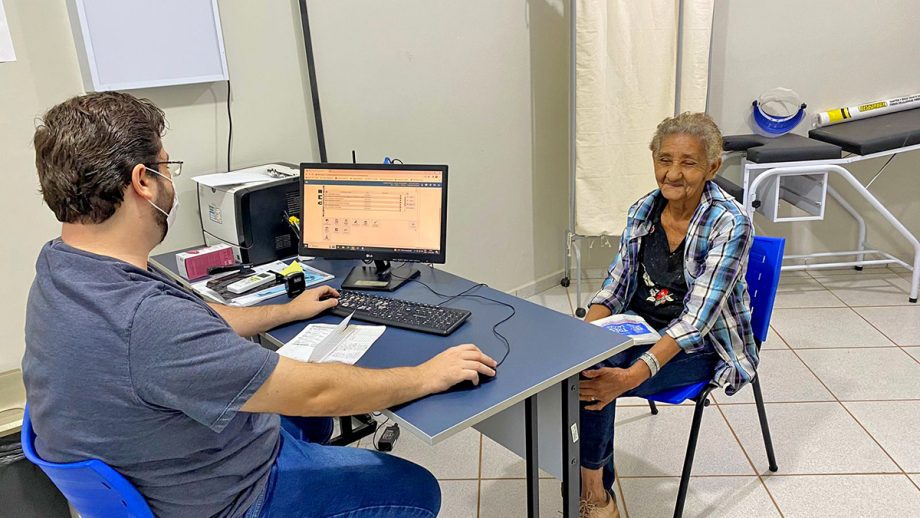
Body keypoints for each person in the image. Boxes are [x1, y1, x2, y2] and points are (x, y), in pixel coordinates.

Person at [22, 92, 497, 518]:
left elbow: (199, 321)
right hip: (229, 497)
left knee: (307, 416)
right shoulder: (147, 319)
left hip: (168, 464)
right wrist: (425, 375)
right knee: (415, 487)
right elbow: (315, 392)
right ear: (143, 181)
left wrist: (287, 311)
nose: (171, 181)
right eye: (167, 166)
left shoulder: (63, 266)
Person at [577, 112, 757, 518]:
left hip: (704, 346)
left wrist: (630, 377)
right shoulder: (644, 209)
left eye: (688, 163)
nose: (672, 173)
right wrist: (583, 340)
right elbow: (616, 287)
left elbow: (696, 321)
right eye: (664, 160)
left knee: (596, 379)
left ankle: (594, 495)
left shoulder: (730, 223)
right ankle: (592, 482)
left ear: (712, 167)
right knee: (583, 366)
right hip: (640, 327)